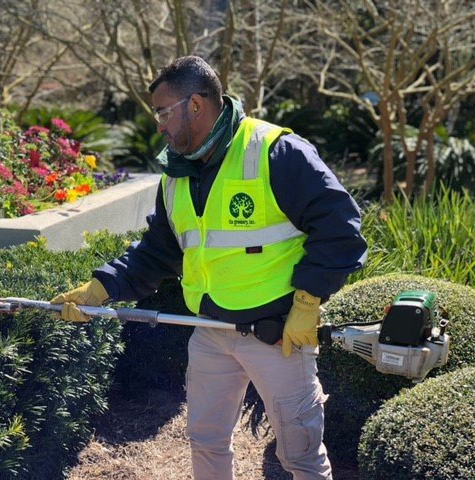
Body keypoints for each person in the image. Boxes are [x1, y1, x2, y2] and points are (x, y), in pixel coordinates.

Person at [51, 56, 367, 480]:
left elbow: (341, 228)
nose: (159, 125)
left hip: (277, 335)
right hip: (211, 331)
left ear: (196, 105)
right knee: (206, 441)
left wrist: (308, 301)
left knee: (301, 457)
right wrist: (100, 288)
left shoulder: (276, 152)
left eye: (163, 113)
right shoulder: (176, 174)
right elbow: (158, 251)